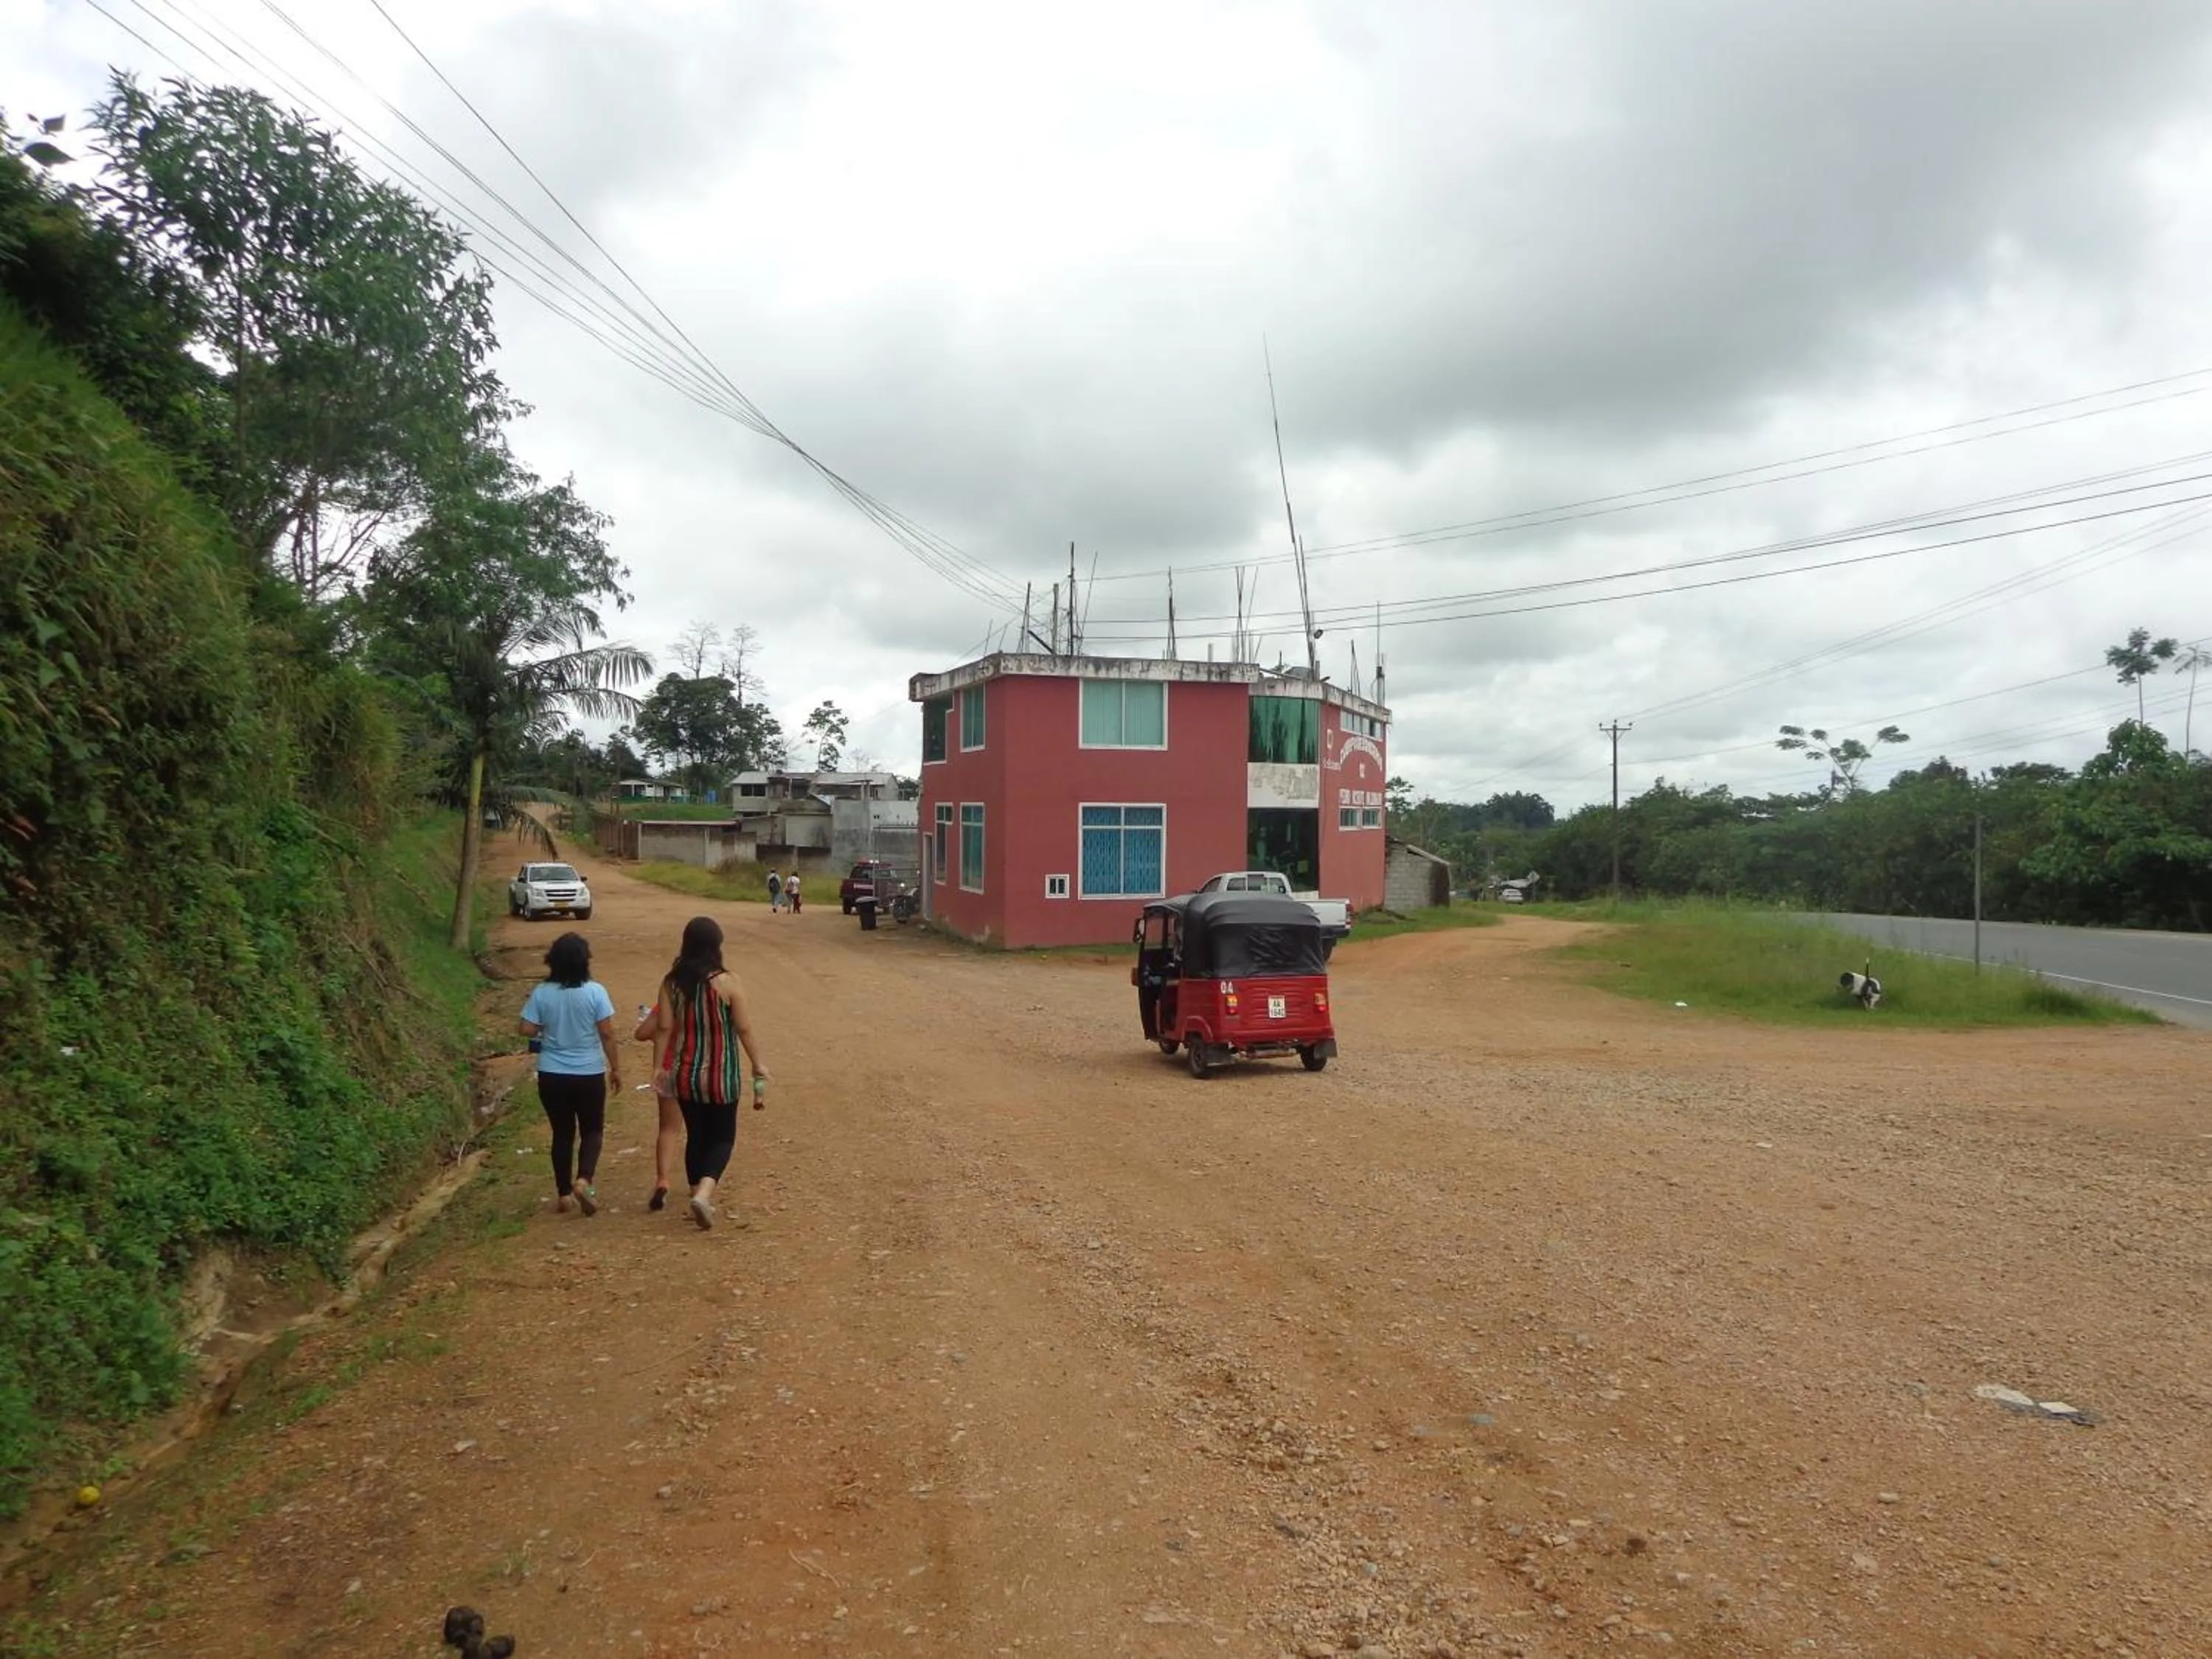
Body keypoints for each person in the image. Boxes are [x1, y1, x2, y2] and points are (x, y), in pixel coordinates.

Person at [650, 915, 770, 1229]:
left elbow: (663, 1028)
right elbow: (743, 1028)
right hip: (721, 1076)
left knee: (697, 1136)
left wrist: (657, 1069)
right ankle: (703, 1194)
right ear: (716, 946)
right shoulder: (728, 982)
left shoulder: (671, 982)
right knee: (723, 1137)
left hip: (685, 1076)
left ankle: (694, 1195)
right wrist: (758, 1063)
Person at [518, 932, 619, 1216]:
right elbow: (608, 1034)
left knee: (562, 1133)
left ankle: (563, 1194)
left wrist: (545, 1028)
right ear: (585, 962)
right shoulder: (595, 992)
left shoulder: (542, 992)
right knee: (593, 1130)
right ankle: (584, 1180)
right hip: (588, 1072)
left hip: (552, 1074)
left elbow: (525, 1029)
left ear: (553, 961)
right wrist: (616, 1069)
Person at [630, 998, 683, 1212]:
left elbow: (641, 1033)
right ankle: (698, 1182)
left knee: (668, 1129)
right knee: (700, 1130)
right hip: (700, 1071)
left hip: (668, 1070)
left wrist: (662, 1032)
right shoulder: (707, 1003)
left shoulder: (669, 1004)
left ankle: (662, 1179)